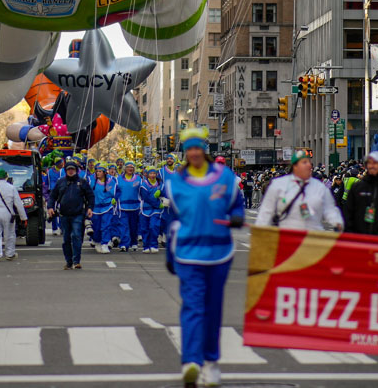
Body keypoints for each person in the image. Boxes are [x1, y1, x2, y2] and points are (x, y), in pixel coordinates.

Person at [165, 126, 245, 388]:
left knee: (212, 310)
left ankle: (210, 363)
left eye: (198, 148)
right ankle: (190, 361)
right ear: (185, 152)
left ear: (204, 150)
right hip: (188, 254)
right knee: (192, 307)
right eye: (189, 149)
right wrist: (169, 255)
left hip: (219, 254)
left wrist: (237, 216)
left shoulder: (224, 176)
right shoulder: (176, 182)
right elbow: (173, 221)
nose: (194, 153)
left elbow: (237, 204)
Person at [255, 149, 342, 231]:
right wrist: (260, 232)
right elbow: (266, 212)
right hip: (287, 233)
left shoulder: (319, 187)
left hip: (312, 234)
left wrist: (337, 222)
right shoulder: (279, 185)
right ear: (295, 166)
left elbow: (330, 209)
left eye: (309, 162)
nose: (308, 165)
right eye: (304, 162)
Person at [48, 159, 94, 270]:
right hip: (64, 215)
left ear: (76, 170)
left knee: (76, 236)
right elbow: (53, 196)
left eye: (73, 169)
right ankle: (68, 262)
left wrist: (90, 208)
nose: (70, 171)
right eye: (68, 169)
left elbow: (90, 196)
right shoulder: (60, 182)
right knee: (66, 239)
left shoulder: (82, 182)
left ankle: (76, 261)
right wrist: (50, 207)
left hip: (78, 214)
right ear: (65, 170)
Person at [113, 161, 143, 251]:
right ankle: (124, 244)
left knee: (134, 226)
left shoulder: (138, 179)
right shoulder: (118, 179)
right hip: (122, 207)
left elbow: (142, 192)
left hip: (135, 206)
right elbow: (115, 192)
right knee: (123, 226)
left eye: (132, 167)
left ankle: (134, 242)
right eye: (128, 167)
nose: (130, 169)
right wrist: (114, 199)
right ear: (125, 168)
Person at [139, 167, 165, 251]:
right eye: (151, 173)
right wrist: (158, 204)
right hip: (145, 209)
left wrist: (161, 192)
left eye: (154, 173)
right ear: (147, 175)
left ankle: (154, 245)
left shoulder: (160, 184)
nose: (153, 175)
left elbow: (166, 193)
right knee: (145, 228)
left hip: (156, 210)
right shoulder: (144, 185)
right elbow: (146, 198)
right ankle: (146, 246)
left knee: (154, 226)